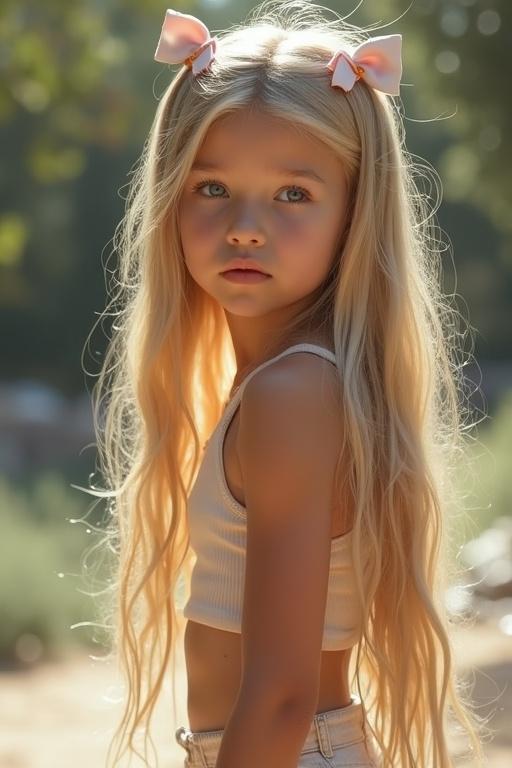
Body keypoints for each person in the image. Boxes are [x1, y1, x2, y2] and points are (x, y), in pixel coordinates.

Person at [85, 1, 489, 766]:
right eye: (211, 188)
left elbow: (279, 695)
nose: (245, 225)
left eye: (293, 194)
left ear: (355, 214)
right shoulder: (283, 385)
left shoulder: (293, 396)